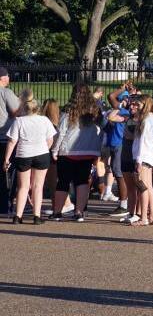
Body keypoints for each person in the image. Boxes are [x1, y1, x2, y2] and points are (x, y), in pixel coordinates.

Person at [50, 85, 103, 222]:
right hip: (88, 151)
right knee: (82, 182)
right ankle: (79, 212)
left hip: (68, 150)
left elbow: (61, 132)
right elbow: (100, 131)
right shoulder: (95, 111)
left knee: (63, 182)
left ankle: (57, 212)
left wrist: (55, 150)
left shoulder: (68, 110)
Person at [4, 90, 56, 224]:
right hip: (41, 154)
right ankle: (37, 216)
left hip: (23, 154)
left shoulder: (19, 121)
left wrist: (6, 159)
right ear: (37, 109)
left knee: (23, 186)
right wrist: (45, 148)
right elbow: (50, 139)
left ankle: (18, 216)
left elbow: (12, 142)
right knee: (38, 186)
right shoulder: (44, 120)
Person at [104, 86, 132, 216]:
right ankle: (124, 204)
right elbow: (107, 125)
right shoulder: (118, 110)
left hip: (120, 144)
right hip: (113, 144)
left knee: (119, 173)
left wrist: (121, 91)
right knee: (116, 172)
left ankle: (124, 205)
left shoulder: (124, 112)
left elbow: (111, 117)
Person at [132, 95, 153, 226]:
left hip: (143, 157)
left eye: (138, 104)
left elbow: (142, 141)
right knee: (149, 187)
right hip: (148, 156)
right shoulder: (150, 118)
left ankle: (144, 217)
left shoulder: (146, 119)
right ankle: (152, 216)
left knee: (142, 187)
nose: (135, 107)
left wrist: (138, 160)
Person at [0, 66, 20, 216]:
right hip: (4, 136)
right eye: (7, 76)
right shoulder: (6, 92)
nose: (9, 79)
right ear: (3, 78)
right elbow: (16, 111)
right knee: (6, 174)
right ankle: (4, 205)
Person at [40, 99, 63, 214]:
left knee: (52, 183)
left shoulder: (45, 124)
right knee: (54, 183)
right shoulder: (56, 124)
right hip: (56, 154)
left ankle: (57, 207)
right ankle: (56, 206)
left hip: (49, 155)